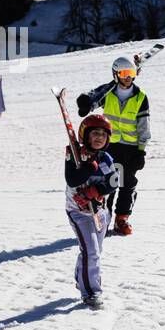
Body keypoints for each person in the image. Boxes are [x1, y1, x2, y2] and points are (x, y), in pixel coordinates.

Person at [76, 56, 150, 236]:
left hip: (130, 148)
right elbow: (92, 100)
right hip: (108, 146)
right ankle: (103, 216)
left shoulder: (140, 97)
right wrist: (86, 103)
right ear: (116, 74)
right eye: (124, 73)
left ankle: (121, 218)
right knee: (108, 181)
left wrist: (141, 151)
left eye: (131, 73)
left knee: (128, 183)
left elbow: (144, 126)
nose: (128, 77)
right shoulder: (108, 93)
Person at [65, 113, 116, 309]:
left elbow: (113, 182)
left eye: (103, 135)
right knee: (92, 252)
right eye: (95, 133)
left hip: (99, 213)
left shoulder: (106, 158)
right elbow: (72, 179)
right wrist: (87, 166)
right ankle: (91, 292)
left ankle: (82, 278)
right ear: (85, 135)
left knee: (94, 251)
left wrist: (97, 190)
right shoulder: (74, 154)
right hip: (78, 212)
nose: (99, 138)